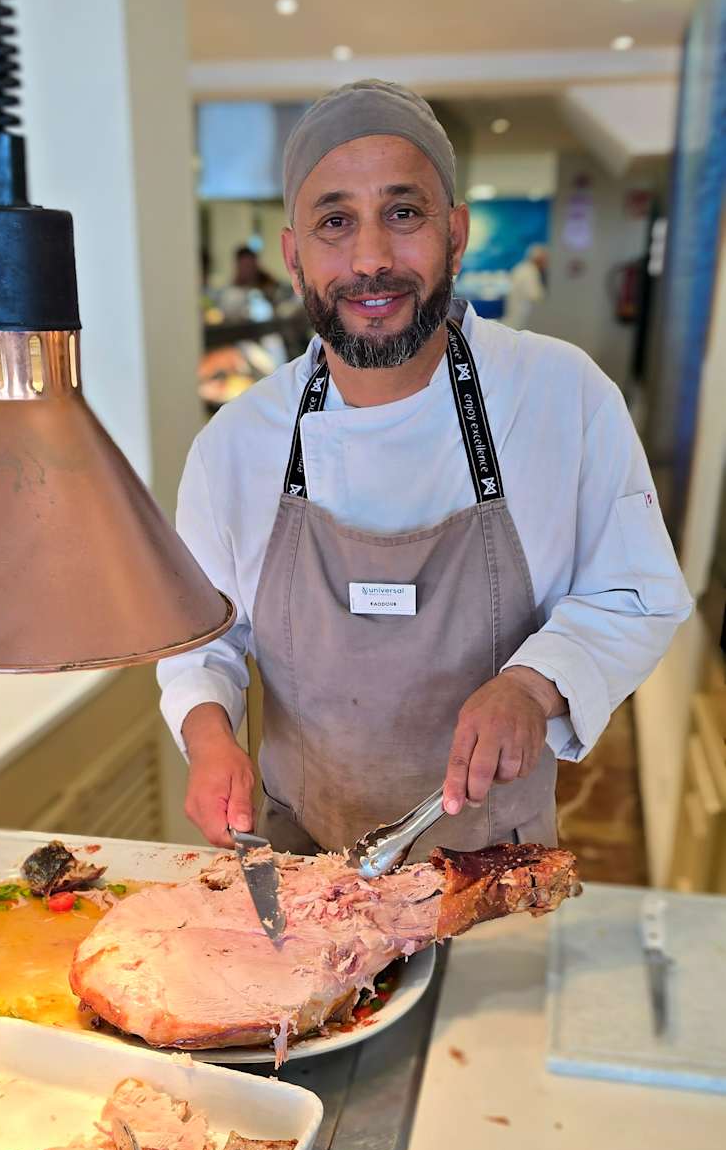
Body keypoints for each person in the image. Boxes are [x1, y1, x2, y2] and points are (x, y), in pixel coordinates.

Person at [158, 80, 692, 857]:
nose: (371, 259)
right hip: (300, 858)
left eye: (403, 214)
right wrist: (209, 737)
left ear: (455, 234)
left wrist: (530, 685)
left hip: (494, 861)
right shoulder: (235, 443)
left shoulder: (559, 395)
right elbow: (201, 640)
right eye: (334, 222)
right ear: (293, 256)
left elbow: (633, 594)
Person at [503, 243, 548, 329]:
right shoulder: (530, 271)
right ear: (538, 259)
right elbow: (534, 294)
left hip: (514, 309)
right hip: (520, 311)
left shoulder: (521, 267)